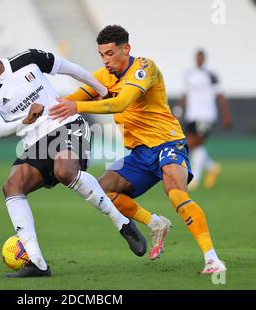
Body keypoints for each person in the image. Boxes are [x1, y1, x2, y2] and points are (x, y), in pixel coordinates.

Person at [0, 36, 147, 278]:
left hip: (67, 125)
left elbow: (69, 68)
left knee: (64, 169)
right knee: (12, 185)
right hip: (36, 144)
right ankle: (37, 263)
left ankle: (122, 223)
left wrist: (101, 90)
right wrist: (25, 120)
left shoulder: (28, 59)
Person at [49, 25, 226, 273]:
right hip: (140, 153)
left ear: (126, 49)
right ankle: (155, 223)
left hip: (168, 142)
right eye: (102, 54)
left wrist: (77, 107)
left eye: (110, 53)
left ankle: (212, 259)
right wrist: (39, 107)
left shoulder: (144, 68)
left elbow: (120, 103)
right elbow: (69, 100)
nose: (106, 60)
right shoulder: (102, 77)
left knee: (175, 193)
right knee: (102, 189)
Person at [175, 49, 232, 190]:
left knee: (193, 143)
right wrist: (178, 111)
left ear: (204, 59)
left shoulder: (211, 75)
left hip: (206, 115)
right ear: (195, 58)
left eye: (201, 57)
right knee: (195, 145)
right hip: (191, 115)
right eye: (197, 57)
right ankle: (212, 167)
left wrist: (226, 115)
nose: (199, 60)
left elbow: (220, 95)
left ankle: (194, 178)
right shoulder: (189, 74)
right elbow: (185, 94)